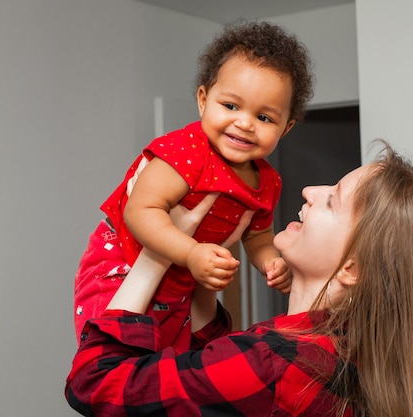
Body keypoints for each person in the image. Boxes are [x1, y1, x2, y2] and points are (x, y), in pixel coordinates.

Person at [66, 142, 413, 417]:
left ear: (352, 269)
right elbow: (199, 380)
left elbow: (95, 385)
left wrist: (155, 252)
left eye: (332, 200)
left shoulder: (274, 365)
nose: (309, 191)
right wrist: (196, 258)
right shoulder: (347, 360)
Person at [73, 21, 314, 353]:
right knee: (110, 355)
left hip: (180, 284)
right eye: (230, 106)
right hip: (122, 264)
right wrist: (191, 252)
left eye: (264, 118)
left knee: (157, 370)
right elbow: (140, 211)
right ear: (203, 100)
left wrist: (271, 261)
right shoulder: (188, 151)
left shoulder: (268, 181)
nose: (244, 123)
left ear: (285, 129)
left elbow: (257, 235)